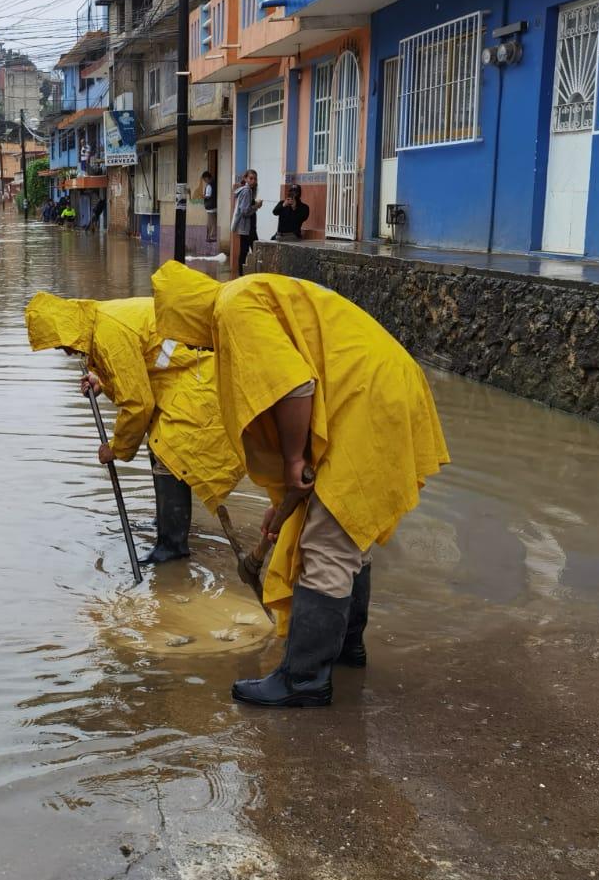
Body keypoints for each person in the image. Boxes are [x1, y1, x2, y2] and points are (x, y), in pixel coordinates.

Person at [152, 260, 449, 709]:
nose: (194, 345)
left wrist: (293, 459)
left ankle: (304, 678)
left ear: (185, 313)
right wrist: (284, 500)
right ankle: (346, 650)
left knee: (326, 545)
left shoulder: (232, 309)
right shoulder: (249, 295)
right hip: (377, 388)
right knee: (349, 528)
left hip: (366, 398)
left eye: (185, 332)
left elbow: (294, 387)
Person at [25, 292, 245, 565]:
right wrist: (101, 382)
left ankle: (172, 545)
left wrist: (115, 449)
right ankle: (165, 522)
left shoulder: (108, 332)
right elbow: (134, 372)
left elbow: (138, 404)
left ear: (70, 332)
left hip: (200, 379)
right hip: (183, 377)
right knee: (161, 445)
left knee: (170, 449)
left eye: (62, 345)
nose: (67, 352)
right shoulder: (99, 323)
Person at [231, 170, 257, 275]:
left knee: (245, 250)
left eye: (255, 179)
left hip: (247, 226)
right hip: (247, 226)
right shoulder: (247, 191)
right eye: (251, 178)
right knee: (254, 249)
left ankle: (241, 274)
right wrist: (256, 206)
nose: (253, 181)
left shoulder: (247, 190)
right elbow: (245, 211)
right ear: (245, 178)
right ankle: (243, 274)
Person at [201, 169, 218, 244]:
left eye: (205, 179)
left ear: (207, 178)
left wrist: (203, 196)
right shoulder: (213, 183)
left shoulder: (210, 185)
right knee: (211, 222)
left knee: (211, 222)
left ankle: (212, 236)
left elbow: (208, 196)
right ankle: (210, 236)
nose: (205, 181)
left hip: (211, 206)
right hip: (212, 206)